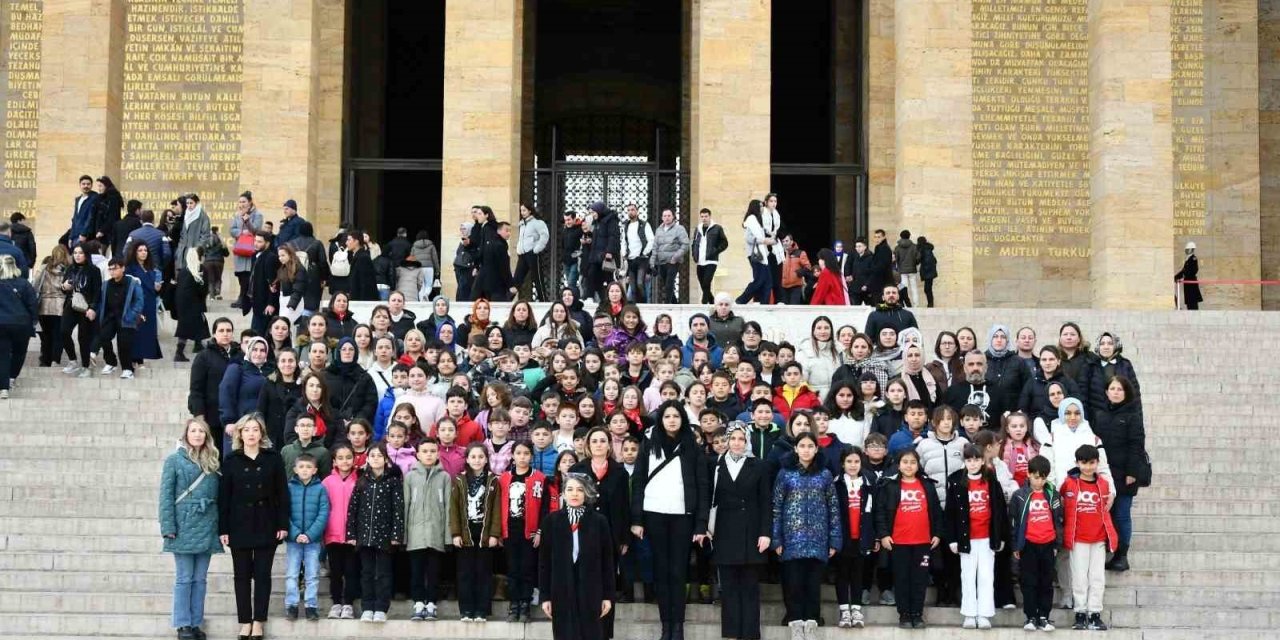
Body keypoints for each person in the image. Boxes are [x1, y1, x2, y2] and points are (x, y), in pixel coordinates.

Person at [630, 401, 710, 640]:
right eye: (667, 416)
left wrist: (701, 524)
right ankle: (666, 625)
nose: (672, 420)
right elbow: (638, 483)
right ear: (660, 419)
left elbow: (702, 487)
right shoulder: (648, 444)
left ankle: (679, 626)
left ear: (682, 419)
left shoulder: (692, 448)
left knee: (678, 572)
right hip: (654, 515)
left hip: (682, 517)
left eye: (676, 416)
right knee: (661, 572)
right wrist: (637, 520)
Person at [219, 413, 288, 640]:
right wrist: (223, 529)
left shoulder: (273, 458)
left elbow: (282, 494)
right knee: (241, 575)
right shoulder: (231, 460)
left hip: (266, 521)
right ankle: (245, 621)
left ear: (261, 434)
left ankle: (259, 621)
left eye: (255, 429)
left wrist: (282, 523)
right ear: (239, 433)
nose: (251, 433)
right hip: (238, 523)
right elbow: (224, 497)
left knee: (262, 574)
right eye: (246, 429)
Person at [771, 432, 840, 637]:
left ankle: (811, 624)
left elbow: (833, 508)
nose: (806, 450)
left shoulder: (825, 475)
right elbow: (776, 507)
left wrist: (835, 539)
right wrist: (777, 538)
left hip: (818, 540)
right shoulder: (785, 473)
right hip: (792, 540)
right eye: (802, 446)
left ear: (816, 449)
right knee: (793, 584)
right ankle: (795, 623)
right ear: (796, 448)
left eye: (810, 446)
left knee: (813, 585)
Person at [707, 423, 770, 640]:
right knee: (730, 588)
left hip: (751, 532)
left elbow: (765, 502)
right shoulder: (715, 465)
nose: (736, 443)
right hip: (724, 531)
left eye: (741, 439)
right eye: (732, 439)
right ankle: (732, 634)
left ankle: (751, 634)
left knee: (750, 588)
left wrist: (765, 532)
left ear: (747, 441)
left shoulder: (759, 466)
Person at [538, 473, 616, 640]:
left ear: (586, 493)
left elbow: (607, 563)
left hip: (592, 591)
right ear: (563, 494)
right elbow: (544, 563)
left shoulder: (599, 521)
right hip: (561, 590)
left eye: (580, 490)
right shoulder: (551, 521)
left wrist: (608, 596)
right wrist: (545, 597)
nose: (574, 494)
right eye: (570, 489)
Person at [874, 448, 942, 629]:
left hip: (922, 542)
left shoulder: (927, 485)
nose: (909, 466)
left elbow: (936, 511)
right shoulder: (889, 485)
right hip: (898, 542)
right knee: (902, 579)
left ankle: (917, 614)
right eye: (905, 462)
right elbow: (879, 512)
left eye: (913, 462)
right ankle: (904, 614)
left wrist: (937, 533)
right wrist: (884, 535)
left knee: (920, 580)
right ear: (898, 465)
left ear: (918, 464)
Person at [946, 444, 1009, 630]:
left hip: (988, 538)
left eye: (976, 460)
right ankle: (969, 613)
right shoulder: (957, 483)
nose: (972, 464)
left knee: (986, 576)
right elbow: (950, 513)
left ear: (982, 461)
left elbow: (1000, 512)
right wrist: (952, 539)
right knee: (967, 576)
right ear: (964, 462)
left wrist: (1001, 537)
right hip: (967, 538)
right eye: (968, 460)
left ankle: (984, 614)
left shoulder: (992, 482)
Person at [1091, 375, 1145, 573]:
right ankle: (1109, 546)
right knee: (1107, 511)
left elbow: (1137, 445)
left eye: (1120, 389)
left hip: (1125, 473)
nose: (1115, 392)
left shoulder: (1133, 415)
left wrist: (1132, 472)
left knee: (1122, 514)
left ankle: (1122, 555)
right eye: (1112, 389)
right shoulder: (1100, 414)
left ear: (1126, 393)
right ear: (1106, 392)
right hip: (1105, 471)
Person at [346, 443, 404, 623]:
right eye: (372, 456)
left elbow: (398, 510)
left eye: (380, 456)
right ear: (367, 460)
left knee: (384, 573)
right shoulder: (361, 481)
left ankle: (381, 607)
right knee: (367, 572)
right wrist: (351, 534)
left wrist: (396, 534)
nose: (376, 459)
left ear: (386, 459)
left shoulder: (393, 482)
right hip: (364, 536)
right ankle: (367, 607)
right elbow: (353, 509)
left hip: (385, 536)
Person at [1062, 444, 1116, 631]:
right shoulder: (1069, 483)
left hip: (1099, 538)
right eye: (1083, 463)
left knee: (1097, 577)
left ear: (1097, 463)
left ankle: (1094, 614)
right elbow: (1062, 504)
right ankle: (1080, 612)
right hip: (1078, 538)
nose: (1088, 467)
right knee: (1079, 577)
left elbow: (1107, 509)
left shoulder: (1104, 484)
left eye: (1092, 463)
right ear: (1077, 463)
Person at [1010, 455, 1063, 631]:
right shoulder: (1019, 496)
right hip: (1028, 544)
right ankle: (1031, 616)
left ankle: (1044, 616)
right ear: (1028, 474)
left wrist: (1056, 544)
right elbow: (1014, 522)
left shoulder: (1052, 494)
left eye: (1043, 477)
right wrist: (1016, 545)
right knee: (1028, 581)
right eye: (1036, 477)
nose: (1039, 481)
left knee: (1046, 582)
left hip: (1048, 543)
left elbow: (1058, 520)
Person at [449, 443, 501, 621]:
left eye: (481, 457)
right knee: (465, 572)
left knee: (483, 572)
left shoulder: (493, 480)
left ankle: (482, 610)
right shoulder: (459, 480)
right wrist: (455, 533)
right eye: (473, 457)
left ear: (486, 459)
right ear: (467, 459)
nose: (477, 460)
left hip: (485, 532)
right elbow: (454, 509)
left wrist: (494, 534)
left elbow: (496, 509)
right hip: (466, 531)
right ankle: (466, 610)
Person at [404, 437, 452, 621]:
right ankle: (418, 603)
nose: (429, 454)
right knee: (416, 571)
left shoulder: (445, 477)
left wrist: (447, 536)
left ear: (438, 453)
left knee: (433, 571)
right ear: (418, 454)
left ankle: (431, 603)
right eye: (425, 451)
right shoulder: (410, 477)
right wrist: (404, 536)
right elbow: (406, 506)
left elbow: (447, 507)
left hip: (436, 533)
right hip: (415, 533)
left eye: (432, 451)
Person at [284, 453, 330, 621]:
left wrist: (310, 534)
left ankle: (311, 606)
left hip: (313, 541)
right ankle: (292, 605)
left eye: (308, 467)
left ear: (315, 470)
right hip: (293, 540)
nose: (305, 470)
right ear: (295, 469)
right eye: (301, 467)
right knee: (292, 574)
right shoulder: (288, 488)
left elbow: (323, 513)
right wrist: (295, 533)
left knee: (312, 574)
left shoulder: (320, 489)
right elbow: (284, 513)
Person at [833, 447, 875, 629]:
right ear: (843, 463)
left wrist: (875, 538)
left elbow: (873, 513)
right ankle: (844, 609)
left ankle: (856, 609)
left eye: (856, 461)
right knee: (842, 574)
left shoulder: (869, 483)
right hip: (842, 538)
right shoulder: (836, 484)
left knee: (858, 574)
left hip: (862, 537)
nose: (852, 465)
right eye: (849, 461)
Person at [94, 257, 145, 379]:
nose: (112, 272)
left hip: (126, 318)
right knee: (104, 337)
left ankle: (128, 369)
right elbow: (102, 301)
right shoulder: (106, 284)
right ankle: (111, 362)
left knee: (123, 344)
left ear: (123, 268)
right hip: (110, 317)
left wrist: (131, 315)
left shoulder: (132, 282)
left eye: (115, 269)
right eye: (110, 269)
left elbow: (139, 301)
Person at [124, 240, 163, 363]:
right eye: (140, 250)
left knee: (148, 333)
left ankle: (141, 358)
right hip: (137, 306)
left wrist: (157, 288)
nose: (143, 253)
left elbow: (153, 287)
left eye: (145, 250)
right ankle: (135, 359)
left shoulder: (150, 268)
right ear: (134, 252)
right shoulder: (130, 269)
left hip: (150, 305)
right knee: (137, 333)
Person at [32, 245, 70, 368]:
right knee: (58, 334)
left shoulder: (44, 268)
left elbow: (35, 284)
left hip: (44, 305)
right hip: (61, 306)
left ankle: (45, 360)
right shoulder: (68, 270)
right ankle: (55, 360)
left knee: (46, 335)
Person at [736, 200, 773, 304]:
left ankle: (763, 303)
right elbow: (748, 238)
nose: (762, 208)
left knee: (767, 281)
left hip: (762, 255)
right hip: (756, 254)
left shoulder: (757, 220)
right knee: (759, 280)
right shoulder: (751, 219)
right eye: (760, 206)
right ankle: (741, 300)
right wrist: (763, 240)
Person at [650, 209, 689, 304]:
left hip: (672, 262)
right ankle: (675, 304)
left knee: (669, 284)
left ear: (673, 217)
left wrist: (675, 257)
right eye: (665, 216)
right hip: (661, 262)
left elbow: (685, 244)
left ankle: (666, 305)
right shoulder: (659, 230)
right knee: (666, 285)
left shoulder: (679, 229)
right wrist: (652, 262)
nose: (667, 218)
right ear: (662, 218)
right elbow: (655, 247)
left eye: (669, 216)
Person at [513, 203, 550, 300]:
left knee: (537, 278)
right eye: (521, 210)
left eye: (524, 210)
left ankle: (543, 301)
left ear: (530, 210)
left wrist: (536, 249)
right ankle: (508, 299)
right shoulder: (522, 224)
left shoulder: (537, 223)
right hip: (522, 255)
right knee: (517, 278)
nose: (522, 213)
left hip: (532, 254)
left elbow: (544, 236)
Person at [691, 208, 728, 304]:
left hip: (711, 261)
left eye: (706, 216)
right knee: (703, 285)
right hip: (700, 261)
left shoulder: (717, 228)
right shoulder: (698, 229)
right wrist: (694, 254)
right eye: (702, 216)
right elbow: (694, 243)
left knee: (707, 282)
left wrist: (715, 251)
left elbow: (724, 243)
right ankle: (712, 302)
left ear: (710, 216)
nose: (704, 218)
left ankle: (704, 303)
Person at [620, 204, 654, 303]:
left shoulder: (644, 224)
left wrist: (644, 252)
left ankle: (643, 303)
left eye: (633, 210)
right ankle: (635, 305)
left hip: (642, 259)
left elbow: (651, 240)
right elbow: (624, 241)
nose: (631, 212)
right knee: (633, 286)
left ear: (637, 211)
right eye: (629, 210)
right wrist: (623, 253)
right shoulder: (626, 226)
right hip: (630, 259)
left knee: (640, 283)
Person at [475, 221, 515, 302]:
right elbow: (504, 267)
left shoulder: (491, 243)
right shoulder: (500, 245)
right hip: (497, 285)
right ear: (499, 231)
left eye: (510, 231)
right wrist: (510, 284)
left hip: (486, 283)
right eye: (506, 230)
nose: (509, 233)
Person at [344, 230, 379, 302]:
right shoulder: (356, 256)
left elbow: (366, 285)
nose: (346, 243)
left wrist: (362, 304)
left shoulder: (363, 258)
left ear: (356, 241)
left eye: (349, 240)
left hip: (362, 302)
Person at [69, 174, 100, 245]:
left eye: (88, 184)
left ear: (91, 185)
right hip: (76, 235)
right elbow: (75, 219)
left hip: (86, 236)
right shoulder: (78, 199)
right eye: (83, 184)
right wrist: (71, 236)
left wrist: (84, 234)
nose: (86, 186)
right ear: (80, 185)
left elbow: (90, 218)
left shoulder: (95, 198)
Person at [894, 230, 920, 307]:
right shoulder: (914, 246)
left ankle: (904, 304)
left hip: (902, 271)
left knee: (902, 288)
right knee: (914, 288)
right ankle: (916, 305)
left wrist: (899, 265)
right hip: (912, 270)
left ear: (900, 236)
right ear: (909, 236)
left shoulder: (897, 247)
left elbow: (896, 258)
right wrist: (915, 263)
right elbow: (918, 257)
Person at [1175, 241, 1202, 310]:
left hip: (1191, 284)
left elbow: (1194, 270)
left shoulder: (1193, 258)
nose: (1186, 251)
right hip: (1188, 284)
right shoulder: (1188, 259)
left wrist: (1184, 275)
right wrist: (1177, 277)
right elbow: (1184, 270)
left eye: (1188, 249)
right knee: (1189, 303)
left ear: (1192, 250)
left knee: (1193, 304)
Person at [917, 235, 937, 307]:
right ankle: (930, 303)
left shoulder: (922, 249)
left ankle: (930, 304)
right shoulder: (928, 249)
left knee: (927, 289)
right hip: (930, 271)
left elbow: (918, 260)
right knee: (928, 289)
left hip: (927, 272)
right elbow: (934, 260)